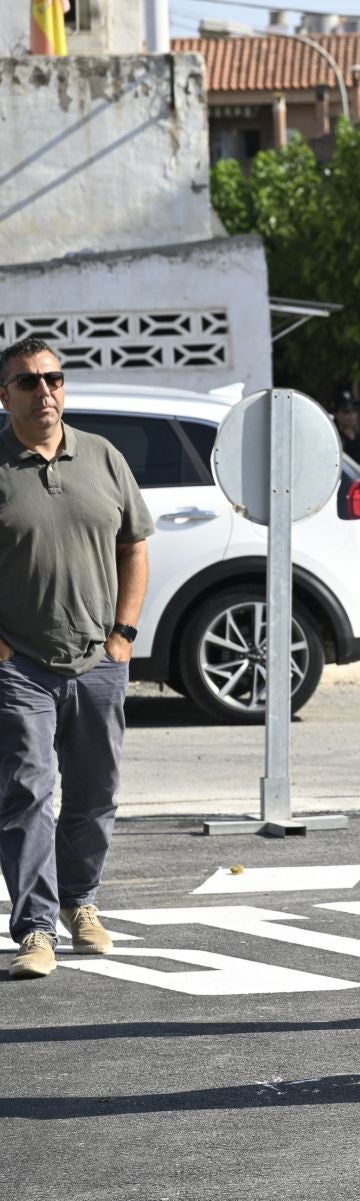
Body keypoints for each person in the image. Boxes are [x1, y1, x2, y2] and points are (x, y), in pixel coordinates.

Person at [0, 338, 153, 980]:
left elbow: (135, 545)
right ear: (4, 394)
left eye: (53, 379)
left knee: (95, 793)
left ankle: (79, 901)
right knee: (28, 791)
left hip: (98, 658)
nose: (45, 392)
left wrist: (123, 634)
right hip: (20, 663)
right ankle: (36, 928)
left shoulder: (103, 457)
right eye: (29, 382)